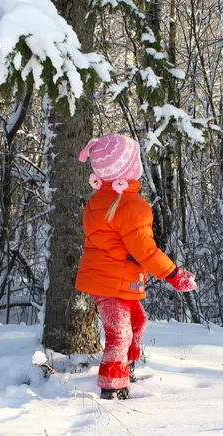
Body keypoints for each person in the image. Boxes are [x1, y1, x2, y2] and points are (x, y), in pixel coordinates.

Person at [75, 133, 197, 400]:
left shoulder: (101, 200)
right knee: (120, 333)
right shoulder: (131, 205)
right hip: (112, 281)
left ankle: (125, 367)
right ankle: (112, 387)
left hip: (112, 278)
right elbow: (146, 250)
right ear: (130, 169)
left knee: (138, 321)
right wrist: (174, 275)